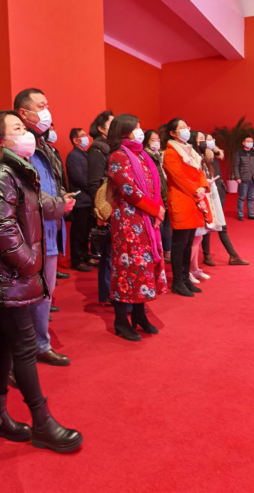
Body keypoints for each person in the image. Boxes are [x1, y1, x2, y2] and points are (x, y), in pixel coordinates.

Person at [0, 110, 83, 454]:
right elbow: (2, 230)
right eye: (18, 128)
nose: (27, 134)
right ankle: (42, 422)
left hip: (12, 275)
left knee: (5, 342)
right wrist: (29, 264)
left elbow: (31, 209)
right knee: (23, 346)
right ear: (0, 139)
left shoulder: (15, 170)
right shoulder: (0, 174)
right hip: (11, 275)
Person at [14, 88, 75, 366]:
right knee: (24, 295)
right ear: (23, 113)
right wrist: (58, 204)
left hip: (49, 230)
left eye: (47, 105)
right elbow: (26, 193)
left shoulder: (44, 145)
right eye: (41, 106)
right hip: (28, 234)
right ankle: (22, 352)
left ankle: (40, 344)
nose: (47, 111)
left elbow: (50, 184)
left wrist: (62, 198)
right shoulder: (19, 147)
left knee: (45, 293)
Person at [107, 114, 167, 341]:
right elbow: (128, 190)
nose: (141, 131)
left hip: (145, 219)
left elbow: (154, 185)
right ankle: (121, 320)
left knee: (143, 267)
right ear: (124, 130)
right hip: (128, 221)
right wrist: (155, 209)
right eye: (136, 127)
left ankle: (139, 314)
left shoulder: (141, 154)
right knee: (127, 269)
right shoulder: (118, 156)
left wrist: (158, 208)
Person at [163, 118, 212, 297]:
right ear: (172, 133)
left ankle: (185, 278)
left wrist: (202, 187)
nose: (186, 130)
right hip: (182, 200)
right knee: (180, 244)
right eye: (182, 128)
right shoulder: (170, 153)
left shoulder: (191, 151)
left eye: (187, 127)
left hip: (194, 200)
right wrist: (196, 190)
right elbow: (179, 178)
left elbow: (200, 173)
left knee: (189, 242)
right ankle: (177, 281)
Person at [201, 134, 249, 266]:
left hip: (218, 193)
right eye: (207, 139)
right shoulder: (202, 158)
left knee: (218, 225)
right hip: (208, 194)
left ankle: (226, 255)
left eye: (212, 139)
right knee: (210, 226)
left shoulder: (214, 156)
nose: (211, 142)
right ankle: (214, 255)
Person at [188, 131, 225, 283]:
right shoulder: (190, 157)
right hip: (196, 198)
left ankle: (194, 269)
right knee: (195, 238)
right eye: (201, 139)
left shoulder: (202, 156)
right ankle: (186, 271)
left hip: (205, 197)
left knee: (199, 236)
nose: (204, 142)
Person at [87, 110, 114, 305]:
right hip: (106, 208)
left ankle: (108, 293)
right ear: (102, 129)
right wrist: (100, 212)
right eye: (112, 124)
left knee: (110, 253)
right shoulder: (97, 151)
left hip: (112, 206)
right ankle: (109, 293)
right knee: (110, 254)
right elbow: (95, 184)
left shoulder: (109, 148)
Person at [66, 127, 93, 272]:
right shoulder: (73, 156)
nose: (86, 137)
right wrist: (93, 188)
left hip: (88, 200)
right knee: (79, 232)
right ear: (75, 140)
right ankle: (77, 260)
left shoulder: (86, 154)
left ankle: (85, 255)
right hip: (80, 200)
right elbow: (79, 178)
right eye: (83, 135)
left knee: (87, 231)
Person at [45, 123, 70, 282]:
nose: (53, 132)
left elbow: (57, 179)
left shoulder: (53, 151)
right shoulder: (36, 151)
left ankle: (53, 270)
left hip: (56, 199)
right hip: (48, 203)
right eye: (50, 130)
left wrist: (62, 194)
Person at [144, 130, 171, 263]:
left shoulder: (159, 155)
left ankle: (167, 252)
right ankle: (160, 253)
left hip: (164, 194)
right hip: (155, 197)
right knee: (158, 227)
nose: (156, 142)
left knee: (167, 226)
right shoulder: (146, 156)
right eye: (152, 140)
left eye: (158, 139)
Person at [234, 135, 254, 221]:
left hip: (253, 178)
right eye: (248, 141)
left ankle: (251, 214)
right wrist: (237, 177)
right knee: (242, 197)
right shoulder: (239, 153)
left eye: (251, 141)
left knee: (251, 197)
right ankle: (240, 214)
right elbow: (236, 166)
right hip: (243, 178)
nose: (250, 143)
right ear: (243, 143)